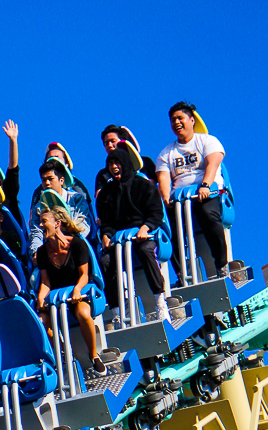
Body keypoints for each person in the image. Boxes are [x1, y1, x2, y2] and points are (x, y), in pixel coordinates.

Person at [156, 101, 229, 282]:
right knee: (167, 230)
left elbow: (213, 164)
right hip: (180, 199)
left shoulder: (207, 140)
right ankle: (182, 273)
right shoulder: (166, 153)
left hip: (205, 193)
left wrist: (205, 185)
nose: (177, 123)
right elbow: (163, 178)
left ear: (191, 120)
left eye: (180, 118)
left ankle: (221, 263)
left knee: (207, 214)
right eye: (173, 120)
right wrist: (166, 197)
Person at [96, 148, 170, 325]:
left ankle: (160, 300)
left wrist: (146, 227)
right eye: (111, 164)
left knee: (145, 251)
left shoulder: (143, 185)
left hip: (142, 235)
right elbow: (106, 221)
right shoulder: (106, 193)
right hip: (120, 239)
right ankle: (117, 310)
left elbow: (156, 212)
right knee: (106, 261)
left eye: (117, 163)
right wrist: (106, 234)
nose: (114, 167)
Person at [35, 208, 106, 375]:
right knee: (41, 320)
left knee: (83, 313)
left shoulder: (77, 245)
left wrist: (77, 289)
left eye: (44, 221)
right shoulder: (42, 252)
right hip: (57, 299)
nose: (40, 225)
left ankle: (94, 355)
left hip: (77, 295)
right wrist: (40, 297)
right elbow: (45, 282)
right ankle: (65, 357)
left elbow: (84, 275)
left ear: (57, 224)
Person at [29, 160, 92, 256]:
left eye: (50, 179)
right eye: (43, 180)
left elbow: (84, 226)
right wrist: (36, 253)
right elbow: (37, 233)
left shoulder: (76, 199)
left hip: (75, 248)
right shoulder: (39, 208)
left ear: (61, 180)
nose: (47, 183)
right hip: (50, 252)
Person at [95, 125, 157, 196]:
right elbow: (99, 197)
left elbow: (154, 186)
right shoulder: (103, 174)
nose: (109, 145)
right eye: (106, 143)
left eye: (113, 141)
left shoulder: (145, 162)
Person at [30, 142, 93, 208]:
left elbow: (87, 211)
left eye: (57, 157)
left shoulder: (77, 185)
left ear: (66, 163)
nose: (54, 160)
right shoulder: (39, 191)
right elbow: (33, 214)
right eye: (50, 158)